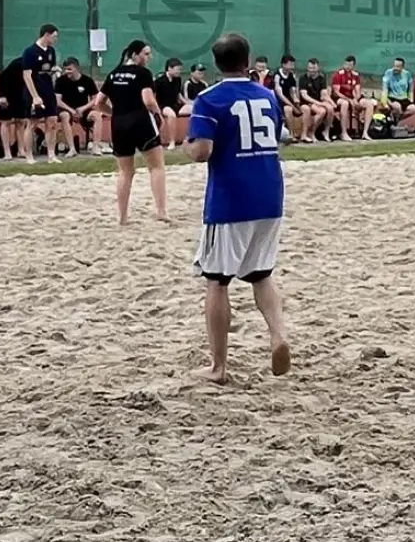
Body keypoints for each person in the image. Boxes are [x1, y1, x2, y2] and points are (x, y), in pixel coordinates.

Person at [185, 32, 292, 384]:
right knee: (261, 274)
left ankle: (218, 367)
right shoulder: (267, 96)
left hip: (231, 199)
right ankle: (278, 334)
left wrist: (186, 147)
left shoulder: (208, 99)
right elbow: (277, 137)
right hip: (270, 193)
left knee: (216, 280)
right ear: (248, 60)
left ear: (216, 64)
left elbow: (202, 151)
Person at [98, 39, 168, 224]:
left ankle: (122, 217)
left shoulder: (113, 74)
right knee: (156, 166)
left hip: (119, 123)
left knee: (125, 171)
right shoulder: (143, 73)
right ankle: (161, 211)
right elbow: (148, 100)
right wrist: (158, 113)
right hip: (141, 121)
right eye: (146, 53)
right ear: (134, 55)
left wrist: (114, 113)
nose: (149, 57)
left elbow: (99, 102)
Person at [15, 24, 61, 164]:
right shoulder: (30, 52)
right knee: (32, 123)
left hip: (48, 90)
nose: (55, 39)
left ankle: (51, 155)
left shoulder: (51, 51)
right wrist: (35, 96)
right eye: (53, 36)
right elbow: (27, 75)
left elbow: (49, 68)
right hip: (34, 91)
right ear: (46, 35)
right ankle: (29, 155)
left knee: (52, 121)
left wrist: (56, 71)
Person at [56, 58, 104, 154]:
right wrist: (72, 110)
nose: (67, 72)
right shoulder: (61, 81)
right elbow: (58, 101)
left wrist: (83, 108)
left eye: (69, 69)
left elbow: (96, 99)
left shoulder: (87, 81)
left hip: (83, 109)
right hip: (66, 109)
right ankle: (71, 148)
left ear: (77, 68)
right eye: (65, 69)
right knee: (65, 116)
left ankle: (95, 147)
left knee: (97, 115)